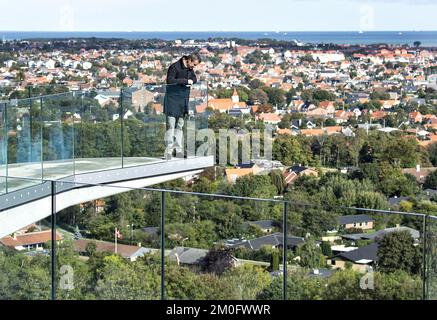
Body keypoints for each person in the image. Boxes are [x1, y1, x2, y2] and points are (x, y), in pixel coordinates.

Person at [163, 52, 201, 160]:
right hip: (172, 100)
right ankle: (168, 152)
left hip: (183, 101)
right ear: (188, 60)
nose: (194, 67)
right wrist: (185, 81)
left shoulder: (189, 69)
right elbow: (170, 80)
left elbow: (194, 79)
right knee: (170, 126)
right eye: (194, 64)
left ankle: (179, 151)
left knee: (179, 126)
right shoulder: (174, 67)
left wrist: (191, 81)